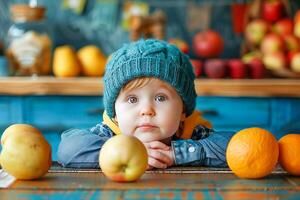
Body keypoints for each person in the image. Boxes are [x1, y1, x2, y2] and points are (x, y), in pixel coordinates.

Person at [57, 39, 235, 169]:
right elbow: (68, 149)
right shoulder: (112, 132)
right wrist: (124, 152)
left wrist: (178, 154)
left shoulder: (187, 131)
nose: (146, 110)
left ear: (182, 110)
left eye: (160, 98)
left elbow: (237, 147)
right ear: (115, 114)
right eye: (132, 99)